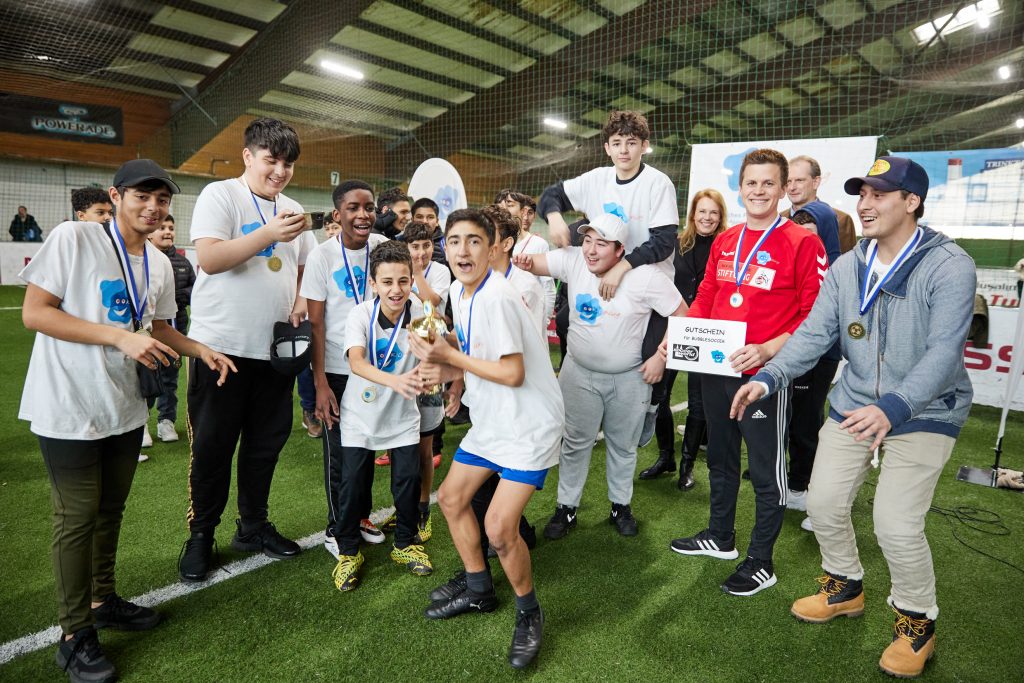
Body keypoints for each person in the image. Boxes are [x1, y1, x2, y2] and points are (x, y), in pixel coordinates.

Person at [730, 156, 975, 678]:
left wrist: (894, 408)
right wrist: (768, 377)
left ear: (911, 202)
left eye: (879, 194)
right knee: (822, 502)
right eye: (861, 194)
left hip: (926, 410)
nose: (865, 204)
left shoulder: (948, 265)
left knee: (895, 523)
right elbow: (814, 335)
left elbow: (945, 352)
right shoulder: (847, 266)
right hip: (854, 402)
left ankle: (916, 622)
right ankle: (844, 585)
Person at [19, 159, 235, 683]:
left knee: (110, 510)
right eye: (143, 196)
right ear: (116, 197)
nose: (153, 207)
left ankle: (102, 601)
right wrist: (119, 337)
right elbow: (36, 312)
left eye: (162, 200)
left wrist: (199, 349)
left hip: (122, 404)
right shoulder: (75, 237)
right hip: (67, 402)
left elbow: (158, 327)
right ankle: (74, 636)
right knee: (77, 517)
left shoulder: (158, 262)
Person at [668, 149, 825, 597]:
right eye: (751, 183)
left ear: (783, 189)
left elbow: (814, 316)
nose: (759, 191)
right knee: (720, 456)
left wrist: (768, 349)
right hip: (717, 368)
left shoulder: (802, 242)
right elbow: (709, 294)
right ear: (740, 188)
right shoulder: (726, 240)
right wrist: (684, 332)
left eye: (768, 183)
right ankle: (721, 536)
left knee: (764, 470)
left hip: (764, 376)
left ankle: (761, 561)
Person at [411, 208, 563, 670]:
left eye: (474, 241)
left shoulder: (498, 295)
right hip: (494, 420)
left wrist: (450, 359)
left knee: (499, 527)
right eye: (454, 240)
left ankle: (529, 612)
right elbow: (475, 350)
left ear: (492, 247)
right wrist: (448, 367)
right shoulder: (461, 291)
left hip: (529, 425)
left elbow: (513, 373)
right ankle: (479, 588)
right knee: (451, 499)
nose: (463, 250)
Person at [178, 117, 318, 582]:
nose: (280, 171)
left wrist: (299, 300)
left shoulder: (294, 208)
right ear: (248, 156)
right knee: (213, 448)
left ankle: (253, 526)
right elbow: (210, 258)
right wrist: (268, 234)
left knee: (264, 447)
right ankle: (201, 534)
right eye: (271, 160)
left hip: (274, 353)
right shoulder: (221, 195)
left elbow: (304, 270)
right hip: (221, 350)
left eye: (288, 164)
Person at [515, 213, 684, 539]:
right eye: (588, 240)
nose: (591, 250)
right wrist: (520, 258)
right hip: (578, 373)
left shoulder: (647, 276)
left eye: (601, 243)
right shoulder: (574, 259)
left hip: (629, 377)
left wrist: (661, 357)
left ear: (620, 250)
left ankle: (621, 506)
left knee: (624, 446)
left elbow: (682, 314)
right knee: (574, 444)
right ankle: (566, 508)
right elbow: (532, 263)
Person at [539, 110, 679, 447]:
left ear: (644, 146)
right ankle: (578, 398)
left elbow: (663, 242)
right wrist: (555, 218)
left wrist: (623, 266)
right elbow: (551, 195)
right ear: (607, 148)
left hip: (645, 281)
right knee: (566, 320)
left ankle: (652, 404)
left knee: (651, 355)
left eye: (631, 143)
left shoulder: (658, 183)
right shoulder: (596, 179)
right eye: (617, 143)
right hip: (602, 278)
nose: (624, 150)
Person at [329, 240, 433, 590]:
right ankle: (347, 552)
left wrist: (432, 369)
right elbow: (356, 362)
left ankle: (405, 543)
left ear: (411, 281)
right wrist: (397, 381)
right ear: (373, 284)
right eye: (387, 282)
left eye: (403, 281)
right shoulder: (360, 314)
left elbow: (433, 353)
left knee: (407, 482)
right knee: (352, 486)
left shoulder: (420, 314)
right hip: (361, 415)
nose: (396, 289)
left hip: (402, 415)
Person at [303, 179, 389, 559]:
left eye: (368, 207)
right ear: (337, 215)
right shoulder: (322, 256)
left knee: (366, 446)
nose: (363, 215)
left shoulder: (382, 247)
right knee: (340, 453)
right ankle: (336, 527)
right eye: (353, 208)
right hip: (337, 370)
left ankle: (361, 515)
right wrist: (320, 382)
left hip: (372, 368)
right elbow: (316, 324)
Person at [639, 189, 727, 490]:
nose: (707, 217)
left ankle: (687, 466)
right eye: (702, 211)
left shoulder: (727, 247)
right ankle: (666, 457)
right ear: (692, 214)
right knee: (660, 394)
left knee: (698, 403)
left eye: (713, 212)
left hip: (707, 331)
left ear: (720, 216)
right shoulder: (675, 245)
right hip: (673, 325)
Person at [783, 202, 842, 528]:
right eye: (799, 234)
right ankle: (794, 483)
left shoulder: (839, 269)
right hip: (790, 351)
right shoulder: (790, 261)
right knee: (791, 420)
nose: (805, 242)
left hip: (820, 356)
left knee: (806, 424)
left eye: (811, 235)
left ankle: (802, 488)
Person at [400, 220, 451, 535]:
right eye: (415, 246)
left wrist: (417, 273)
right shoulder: (396, 270)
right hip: (401, 368)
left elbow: (433, 306)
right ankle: (403, 508)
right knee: (401, 447)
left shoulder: (440, 271)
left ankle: (422, 509)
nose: (421, 252)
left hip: (430, 369)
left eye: (427, 245)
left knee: (425, 447)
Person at [145, 214, 196, 444]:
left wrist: (178, 297)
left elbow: (196, 289)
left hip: (176, 328)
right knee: (146, 375)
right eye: (162, 227)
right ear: (150, 233)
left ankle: (166, 421)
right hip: (148, 330)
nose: (167, 232)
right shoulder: (142, 259)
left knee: (170, 377)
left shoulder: (183, 263)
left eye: (171, 227)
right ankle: (141, 423)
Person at [485, 204, 546, 336]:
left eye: (487, 235)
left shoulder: (527, 289)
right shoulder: (468, 281)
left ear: (507, 244)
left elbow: (529, 342)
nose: (478, 242)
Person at [498, 189, 555, 320]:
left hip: (530, 315)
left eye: (510, 205)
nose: (504, 209)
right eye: (503, 205)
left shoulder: (539, 244)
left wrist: (545, 321)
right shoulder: (496, 243)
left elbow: (548, 287)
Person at [785, 155, 856, 255]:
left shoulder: (842, 220)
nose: (792, 187)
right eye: (788, 181)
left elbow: (848, 262)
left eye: (799, 180)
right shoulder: (779, 219)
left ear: (816, 182)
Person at [409, 197, 447, 267]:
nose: (425, 221)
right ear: (412, 220)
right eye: (420, 217)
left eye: (430, 217)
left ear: (437, 221)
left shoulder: (447, 243)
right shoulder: (400, 241)